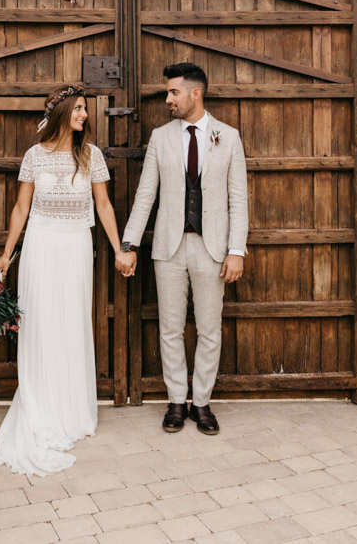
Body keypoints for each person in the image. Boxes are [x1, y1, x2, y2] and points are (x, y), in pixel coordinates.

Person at [0, 84, 135, 476]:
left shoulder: (91, 156)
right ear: (62, 112)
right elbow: (22, 207)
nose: (85, 115)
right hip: (40, 246)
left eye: (85, 109)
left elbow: (103, 205)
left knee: (71, 323)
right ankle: (41, 407)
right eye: (80, 109)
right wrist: (6, 254)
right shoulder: (34, 156)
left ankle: (70, 409)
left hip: (74, 248)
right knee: (41, 324)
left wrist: (120, 249)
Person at [117, 62, 249, 435]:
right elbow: (145, 196)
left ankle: (202, 403)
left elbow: (238, 200)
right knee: (170, 328)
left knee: (210, 328)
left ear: (196, 93)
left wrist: (236, 249)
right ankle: (177, 401)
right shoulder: (160, 137)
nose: (168, 99)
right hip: (169, 248)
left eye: (173, 92)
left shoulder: (229, 136)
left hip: (213, 249)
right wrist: (129, 244)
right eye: (167, 92)